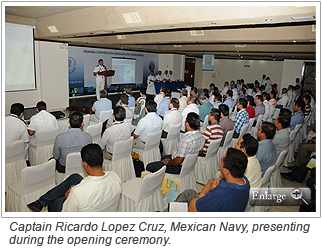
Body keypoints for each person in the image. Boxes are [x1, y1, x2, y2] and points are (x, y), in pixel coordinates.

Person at [27, 143, 122, 212]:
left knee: (54, 201)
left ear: (84, 164)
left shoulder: (77, 193)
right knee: (75, 177)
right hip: (99, 200)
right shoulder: (115, 177)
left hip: (80, 203)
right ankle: (41, 202)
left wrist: (67, 198)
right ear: (103, 159)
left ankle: (44, 202)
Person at [180, 148, 250, 212]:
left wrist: (207, 194)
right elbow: (210, 183)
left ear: (226, 171)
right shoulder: (244, 181)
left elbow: (192, 207)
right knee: (189, 193)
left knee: (186, 197)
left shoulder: (219, 195)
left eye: (221, 162)